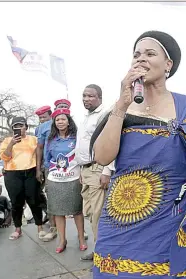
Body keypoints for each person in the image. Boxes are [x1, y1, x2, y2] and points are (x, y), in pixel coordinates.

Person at [90, 30, 186, 278]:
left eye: (149, 53)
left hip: (170, 219)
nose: (140, 59)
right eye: (136, 54)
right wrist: (121, 106)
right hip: (120, 219)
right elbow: (103, 157)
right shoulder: (121, 107)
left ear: (168, 65)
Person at [76, 84, 114, 261]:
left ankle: (102, 255)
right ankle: (99, 248)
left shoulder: (105, 115)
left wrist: (107, 170)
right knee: (90, 212)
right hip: (86, 170)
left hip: (98, 168)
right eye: (84, 95)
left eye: (90, 96)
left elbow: (111, 142)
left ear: (99, 97)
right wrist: (80, 171)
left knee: (98, 213)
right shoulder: (85, 118)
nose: (86, 99)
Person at [44, 108, 87, 253]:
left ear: (69, 121)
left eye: (63, 119)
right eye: (57, 120)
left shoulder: (77, 137)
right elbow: (46, 159)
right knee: (58, 211)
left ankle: (81, 238)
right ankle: (62, 240)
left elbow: (82, 156)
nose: (60, 122)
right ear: (54, 123)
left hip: (74, 178)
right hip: (55, 180)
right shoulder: (50, 139)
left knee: (77, 210)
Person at [0, 116, 46, 240]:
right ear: (12, 128)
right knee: (16, 202)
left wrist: (38, 171)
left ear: (26, 126)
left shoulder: (34, 140)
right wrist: (11, 144)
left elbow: (39, 156)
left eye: (21, 125)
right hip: (12, 173)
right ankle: (18, 229)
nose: (18, 128)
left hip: (30, 172)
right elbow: (5, 157)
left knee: (34, 200)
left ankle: (40, 227)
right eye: (15, 126)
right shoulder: (6, 141)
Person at [36, 99, 71, 242]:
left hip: (70, 168)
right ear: (55, 110)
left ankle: (80, 232)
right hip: (50, 168)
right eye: (59, 107)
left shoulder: (74, 127)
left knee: (74, 198)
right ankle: (53, 228)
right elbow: (39, 148)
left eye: (65, 107)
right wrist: (38, 169)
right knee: (52, 198)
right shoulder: (43, 127)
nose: (62, 109)